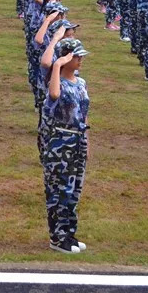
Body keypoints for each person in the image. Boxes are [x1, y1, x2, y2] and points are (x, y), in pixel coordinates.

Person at [42, 38, 90, 254]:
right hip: (60, 142)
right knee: (59, 190)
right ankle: (57, 238)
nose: (80, 59)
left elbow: (84, 112)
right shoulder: (56, 82)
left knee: (73, 191)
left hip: (78, 140)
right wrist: (58, 65)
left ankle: (69, 233)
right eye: (76, 56)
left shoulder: (81, 83)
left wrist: (87, 143)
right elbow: (54, 95)